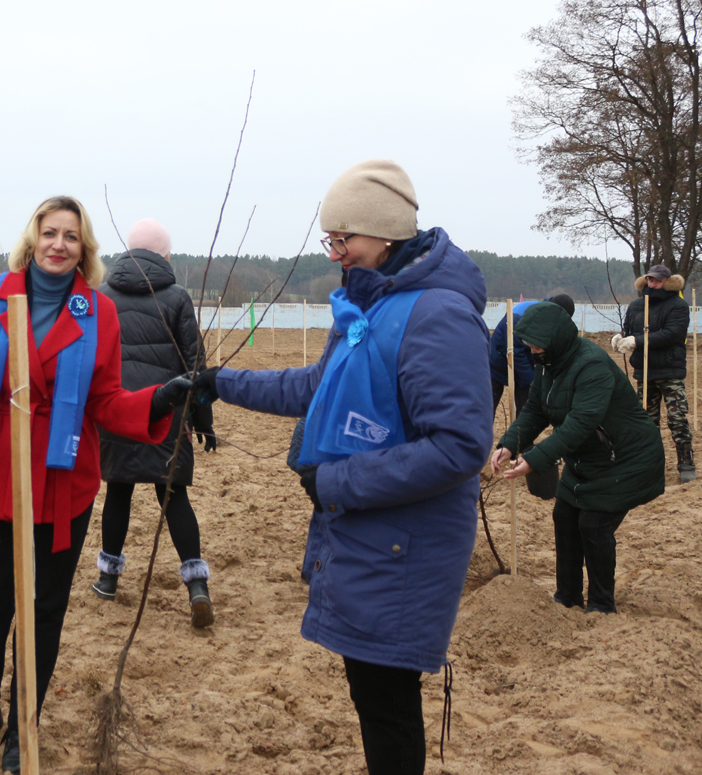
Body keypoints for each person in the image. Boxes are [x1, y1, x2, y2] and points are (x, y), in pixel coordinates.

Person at [186, 160, 493, 775]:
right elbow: (317, 386)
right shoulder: (374, 305)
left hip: (405, 545)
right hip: (367, 534)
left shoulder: (436, 315)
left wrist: (333, 483)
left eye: (341, 238)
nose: (335, 253)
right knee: (374, 699)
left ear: (384, 233)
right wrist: (217, 383)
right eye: (331, 239)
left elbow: (460, 447)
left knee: (388, 707)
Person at [0, 196, 184, 774]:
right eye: (49, 232)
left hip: (60, 486)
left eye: (72, 237)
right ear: (32, 238)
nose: (59, 244)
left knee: (42, 614)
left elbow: (105, 401)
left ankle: (21, 728)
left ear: (85, 250)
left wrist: (156, 399)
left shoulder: (98, 312)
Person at [495, 301, 664, 613]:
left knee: (594, 524)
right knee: (564, 516)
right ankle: (567, 597)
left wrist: (535, 460)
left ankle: (601, 604)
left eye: (536, 344)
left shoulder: (591, 365)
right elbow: (535, 409)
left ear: (554, 339)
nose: (531, 350)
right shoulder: (548, 363)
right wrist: (509, 443)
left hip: (625, 458)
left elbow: (580, 424)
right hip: (588, 458)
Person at [94, 218, 218, 628]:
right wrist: (204, 420)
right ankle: (197, 586)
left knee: (118, 493)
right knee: (174, 498)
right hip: (166, 417)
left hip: (117, 414)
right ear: (165, 256)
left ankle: (108, 579)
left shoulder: (102, 296)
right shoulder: (178, 297)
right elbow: (195, 365)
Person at [614, 264, 694, 482]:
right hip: (645, 372)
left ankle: (686, 463)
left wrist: (637, 341)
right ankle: (649, 465)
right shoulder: (637, 305)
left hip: (670, 372)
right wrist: (621, 337)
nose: (653, 284)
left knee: (677, 420)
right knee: (647, 423)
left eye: (657, 280)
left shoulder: (678, 305)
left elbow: (672, 334)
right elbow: (630, 330)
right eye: (650, 280)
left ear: (667, 282)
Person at [488, 294, 575, 416]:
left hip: (527, 365)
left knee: (526, 408)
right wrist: (531, 379)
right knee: (488, 405)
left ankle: (519, 434)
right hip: (499, 360)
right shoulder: (521, 316)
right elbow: (516, 352)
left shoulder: (553, 319)